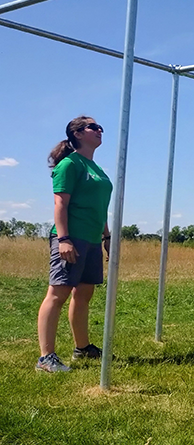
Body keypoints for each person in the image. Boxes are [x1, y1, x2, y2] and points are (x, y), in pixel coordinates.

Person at [37, 116, 112, 373]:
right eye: (93, 127)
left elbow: (100, 207)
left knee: (84, 293)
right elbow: (61, 204)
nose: (100, 130)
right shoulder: (70, 164)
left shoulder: (96, 168)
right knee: (58, 293)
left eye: (99, 127)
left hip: (92, 238)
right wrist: (64, 239)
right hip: (72, 237)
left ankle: (82, 348)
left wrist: (107, 237)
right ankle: (46, 358)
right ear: (78, 134)